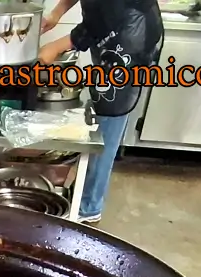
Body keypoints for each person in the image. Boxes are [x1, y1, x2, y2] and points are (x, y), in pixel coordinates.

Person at [37, 0, 163, 224]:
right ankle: (84, 189)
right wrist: (57, 13)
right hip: (112, 33)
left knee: (107, 123)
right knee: (101, 113)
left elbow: (100, 22)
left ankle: (88, 207)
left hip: (130, 37)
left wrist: (57, 46)